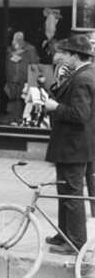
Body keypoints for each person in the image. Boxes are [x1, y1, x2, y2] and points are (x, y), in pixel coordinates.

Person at [44, 34, 95, 255]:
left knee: (71, 194)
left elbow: (79, 114)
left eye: (66, 54)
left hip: (73, 145)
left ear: (76, 55)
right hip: (75, 145)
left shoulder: (83, 78)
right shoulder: (85, 74)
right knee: (64, 190)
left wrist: (55, 107)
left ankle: (75, 242)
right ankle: (63, 234)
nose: (63, 58)